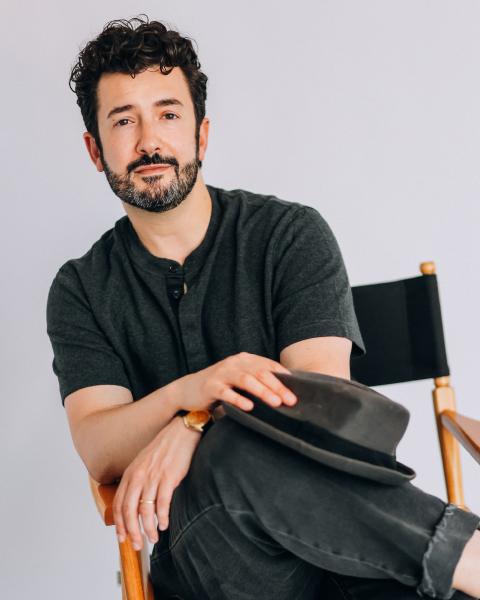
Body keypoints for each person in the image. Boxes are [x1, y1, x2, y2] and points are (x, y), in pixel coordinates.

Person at [46, 15, 480, 600]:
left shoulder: (289, 235)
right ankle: (467, 556)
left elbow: (321, 410)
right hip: (214, 552)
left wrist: (196, 425)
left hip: (349, 541)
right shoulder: (81, 288)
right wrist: (191, 394)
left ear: (201, 135)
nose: (149, 141)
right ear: (95, 150)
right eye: (124, 121)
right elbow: (100, 449)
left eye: (168, 114)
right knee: (230, 459)